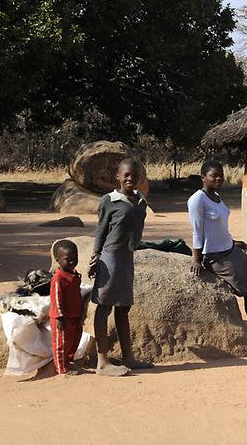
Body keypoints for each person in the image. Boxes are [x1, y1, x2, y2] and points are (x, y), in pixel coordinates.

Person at [188, 160, 247, 347]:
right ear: (203, 178)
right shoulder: (197, 200)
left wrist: (233, 242)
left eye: (220, 175)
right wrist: (197, 260)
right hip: (216, 256)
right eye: (213, 175)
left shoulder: (216, 196)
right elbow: (197, 231)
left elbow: (218, 228)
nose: (218, 178)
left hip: (230, 250)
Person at [89, 158, 153, 375]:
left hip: (127, 259)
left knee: (123, 307)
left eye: (134, 176)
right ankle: (102, 361)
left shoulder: (141, 201)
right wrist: (96, 255)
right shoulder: (109, 200)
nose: (130, 178)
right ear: (117, 176)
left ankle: (128, 357)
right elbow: (101, 229)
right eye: (126, 175)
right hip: (111, 258)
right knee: (104, 307)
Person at [50, 239, 83, 376]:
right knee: (61, 343)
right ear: (57, 260)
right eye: (67, 259)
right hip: (62, 318)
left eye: (74, 258)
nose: (72, 262)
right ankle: (61, 368)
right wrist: (59, 316)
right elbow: (56, 298)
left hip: (74, 316)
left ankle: (68, 361)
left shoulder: (74, 274)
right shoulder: (58, 278)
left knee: (73, 340)